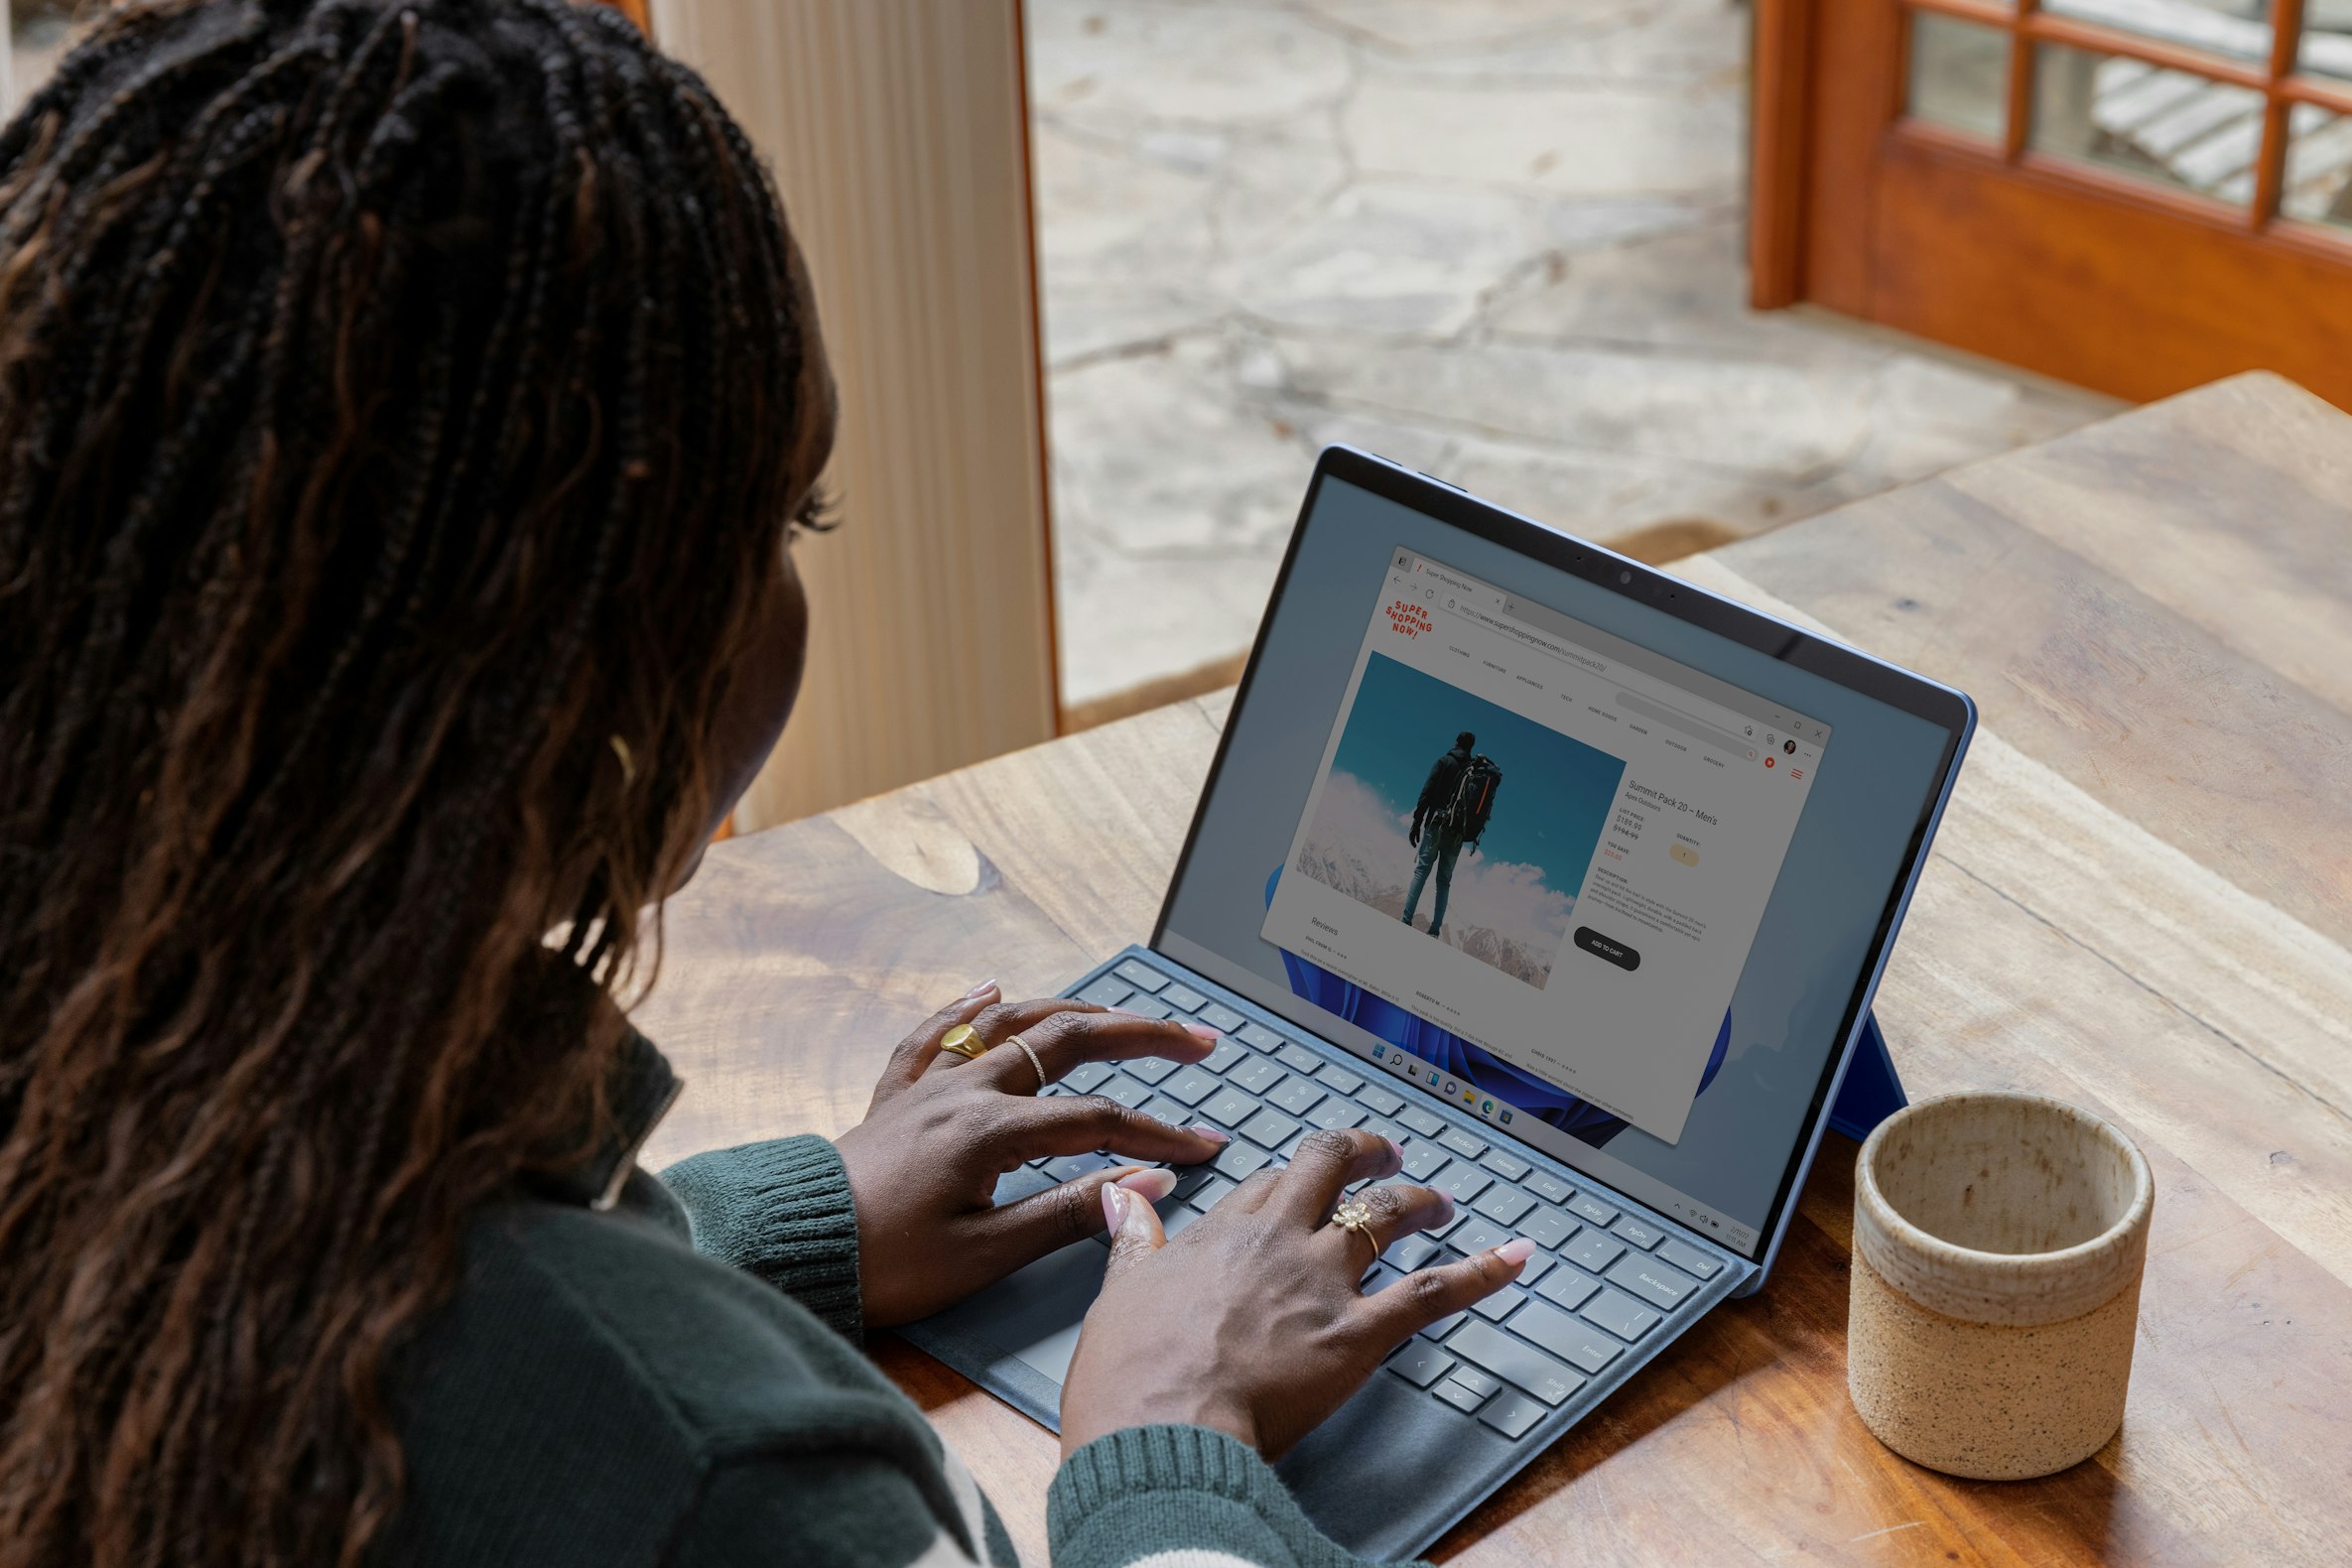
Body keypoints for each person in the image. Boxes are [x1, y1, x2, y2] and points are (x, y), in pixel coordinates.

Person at [0, 5, 1533, 1567]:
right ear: (594, 654)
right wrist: (1168, 1433)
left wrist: (765, 1232)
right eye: (791, 516)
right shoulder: (736, 1491)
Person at [1401, 732, 1502, 941]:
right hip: (1456, 833)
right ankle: (1434, 930)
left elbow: (1426, 792)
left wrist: (1416, 822)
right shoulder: (1473, 772)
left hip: (1435, 825)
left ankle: (1406, 920)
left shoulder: (1444, 761)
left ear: (1456, 742)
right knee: (1444, 881)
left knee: (1422, 871)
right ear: (1471, 748)